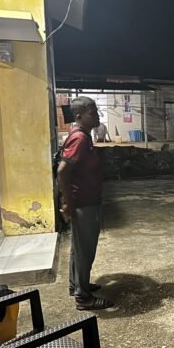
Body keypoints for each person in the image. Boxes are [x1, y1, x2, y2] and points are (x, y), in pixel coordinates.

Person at [58, 96, 113, 310]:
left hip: (86, 200)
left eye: (96, 111)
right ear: (79, 116)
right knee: (85, 250)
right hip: (84, 203)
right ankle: (83, 297)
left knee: (79, 248)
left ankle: (77, 285)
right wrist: (67, 203)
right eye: (93, 113)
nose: (97, 116)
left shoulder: (83, 135)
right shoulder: (80, 138)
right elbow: (63, 171)